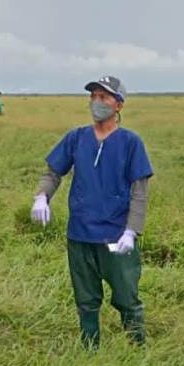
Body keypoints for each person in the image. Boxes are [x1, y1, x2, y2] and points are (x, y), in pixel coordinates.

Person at [30, 76, 153, 348]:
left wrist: (131, 231)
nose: (97, 102)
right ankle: (90, 348)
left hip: (115, 236)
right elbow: (53, 172)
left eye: (104, 97)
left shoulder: (131, 142)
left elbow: (139, 191)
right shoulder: (76, 138)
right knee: (85, 298)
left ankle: (136, 348)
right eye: (93, 96)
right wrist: (41, 197)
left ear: (118, 105)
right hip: (80, 233)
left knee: (126, 295)